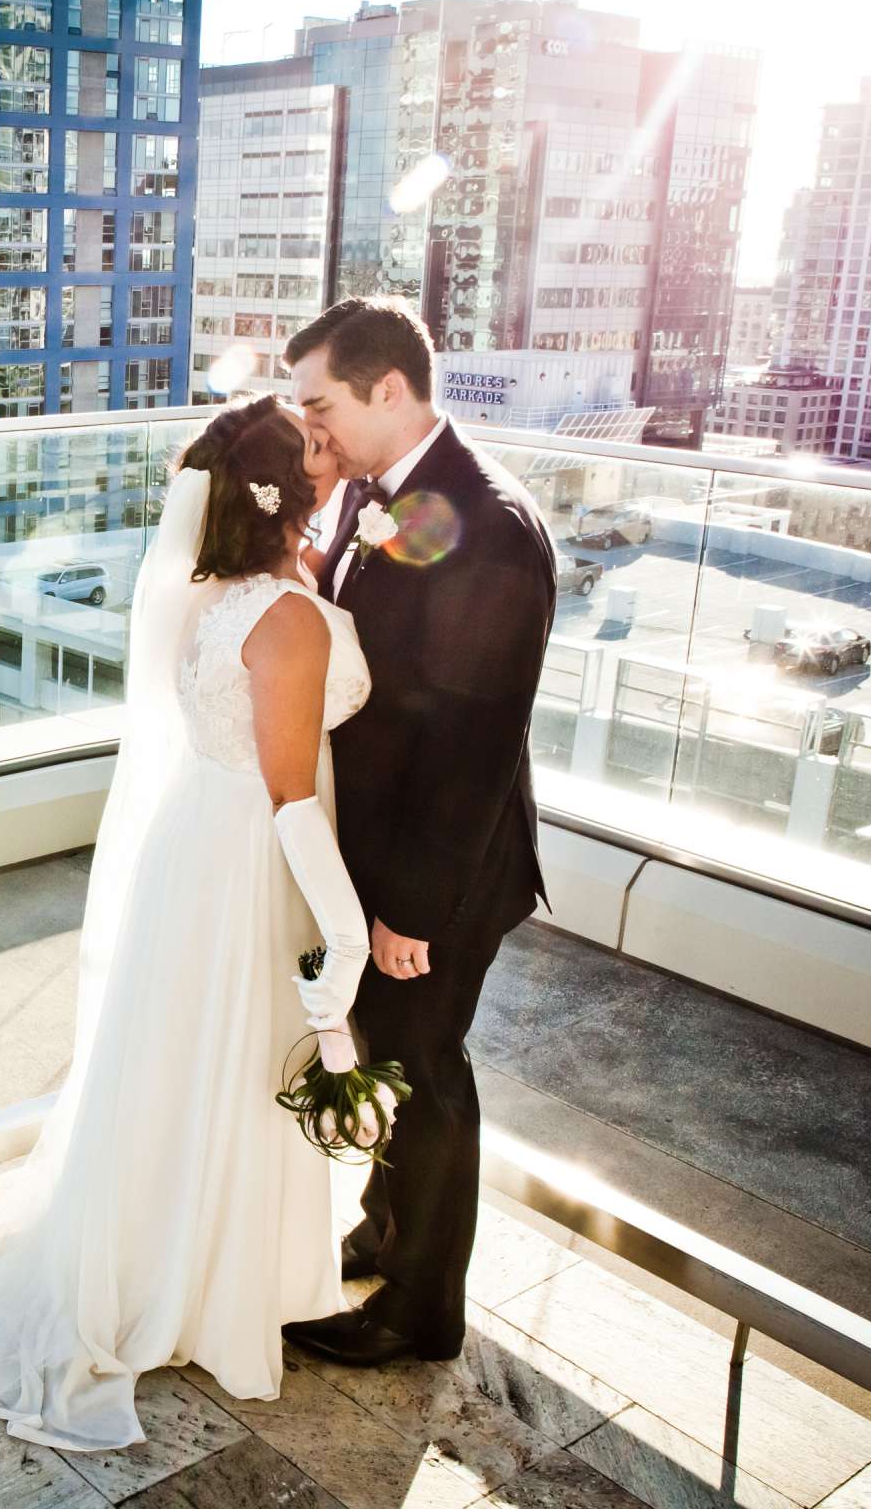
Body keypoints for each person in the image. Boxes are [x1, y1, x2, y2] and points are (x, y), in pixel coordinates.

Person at [0, 395, 378, 1450]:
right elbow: (289, 795)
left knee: (182, 1068)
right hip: (250, 855)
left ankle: (179, 1264)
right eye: (314, 443)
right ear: (287, 490)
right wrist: (353, 934)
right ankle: (201, 1291)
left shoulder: (222, 592)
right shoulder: (281, 618)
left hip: (196, 843)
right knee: (224, 1064)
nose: (331, 451)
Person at [279, 296, 557, 1367]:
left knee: (426, 1069)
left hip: (438, 877)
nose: (314, 428)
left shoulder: (487, 525)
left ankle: (422, 1307)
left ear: (388, 389)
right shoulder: (377, 493)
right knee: (389, 1055)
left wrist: (409, 909)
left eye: (324, 404)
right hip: (381, 857)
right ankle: (388, 1231)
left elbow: (475, 739)